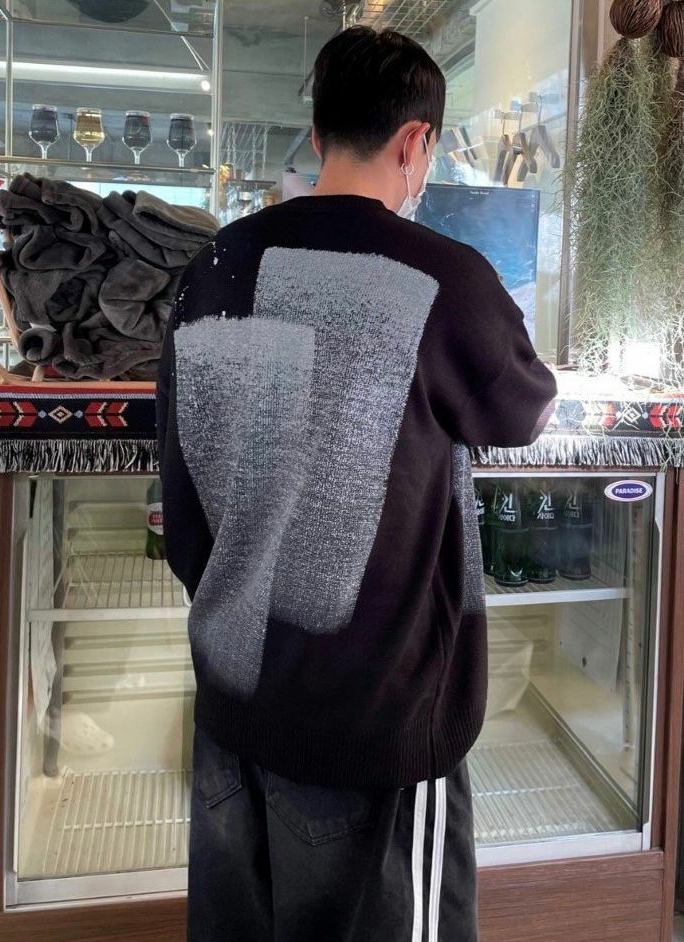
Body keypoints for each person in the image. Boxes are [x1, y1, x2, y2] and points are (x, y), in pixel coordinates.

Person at [156, 25, 557, 942]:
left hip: (231, 705)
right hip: (374, 730)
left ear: (317, 132)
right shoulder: (443, 277)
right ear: (416, 143)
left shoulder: (211, 270)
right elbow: (522, 410)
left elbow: (181, 488)